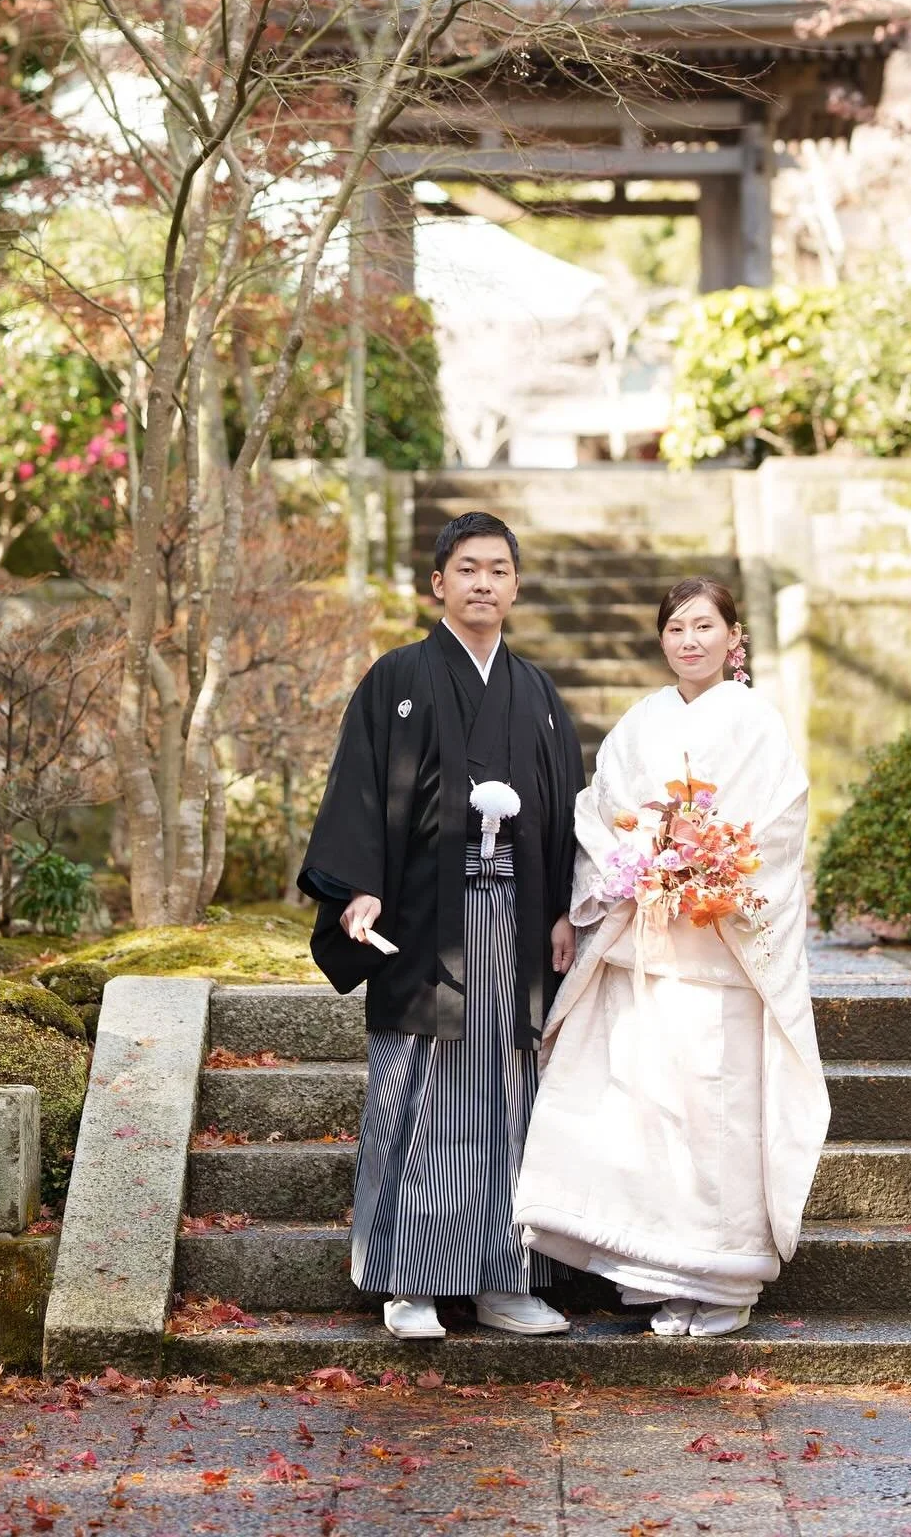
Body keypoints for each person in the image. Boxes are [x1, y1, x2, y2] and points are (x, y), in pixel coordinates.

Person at [513, 577, 829, 1338]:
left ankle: (725, 1283)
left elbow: (777, 831)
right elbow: (600, 811)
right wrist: (640, 868)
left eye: (704, 626)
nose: (689, 640)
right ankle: (661, 1275)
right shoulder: (640, 722)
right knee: (647, 1112)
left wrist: (709, 870)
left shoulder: (756, 722)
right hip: (646, 942)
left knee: (714, 1113)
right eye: (676, 628)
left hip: (720, 950)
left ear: (733, 637)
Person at [299, 511, 585, 1341]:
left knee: (511, 1090)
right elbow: (360, 791)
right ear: (438, 583)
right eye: (467, 569)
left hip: (518, 921)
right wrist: (356, 890)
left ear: (516, 585)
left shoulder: (535, 693)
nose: (484, 583)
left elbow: (568, 808)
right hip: (425, 922)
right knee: (418, 1086)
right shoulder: (397, 679)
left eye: (499, 569)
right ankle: (409, 1277)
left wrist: (567, 909)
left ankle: (507, 1278)